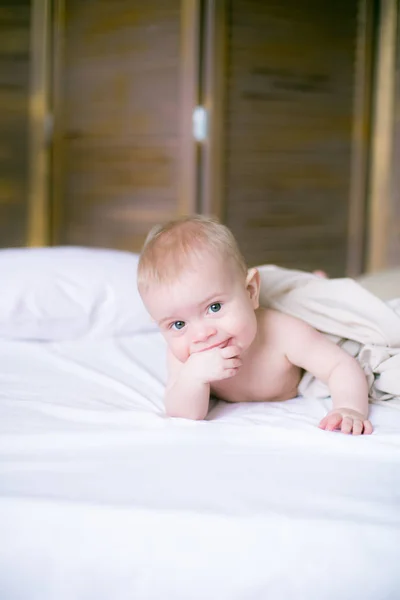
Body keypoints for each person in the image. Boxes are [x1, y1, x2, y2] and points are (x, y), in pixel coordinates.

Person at [137, 215, 373, 435]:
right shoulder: (185, 359)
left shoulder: (282, 333)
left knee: (312, 294)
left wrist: (349, 408)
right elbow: (182, 413)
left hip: (289, 316)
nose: (202, 334)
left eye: (214, 307)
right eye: (178, 324)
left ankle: (317, 281)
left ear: (250, 292)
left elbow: (339, 365)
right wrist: (193, 378)